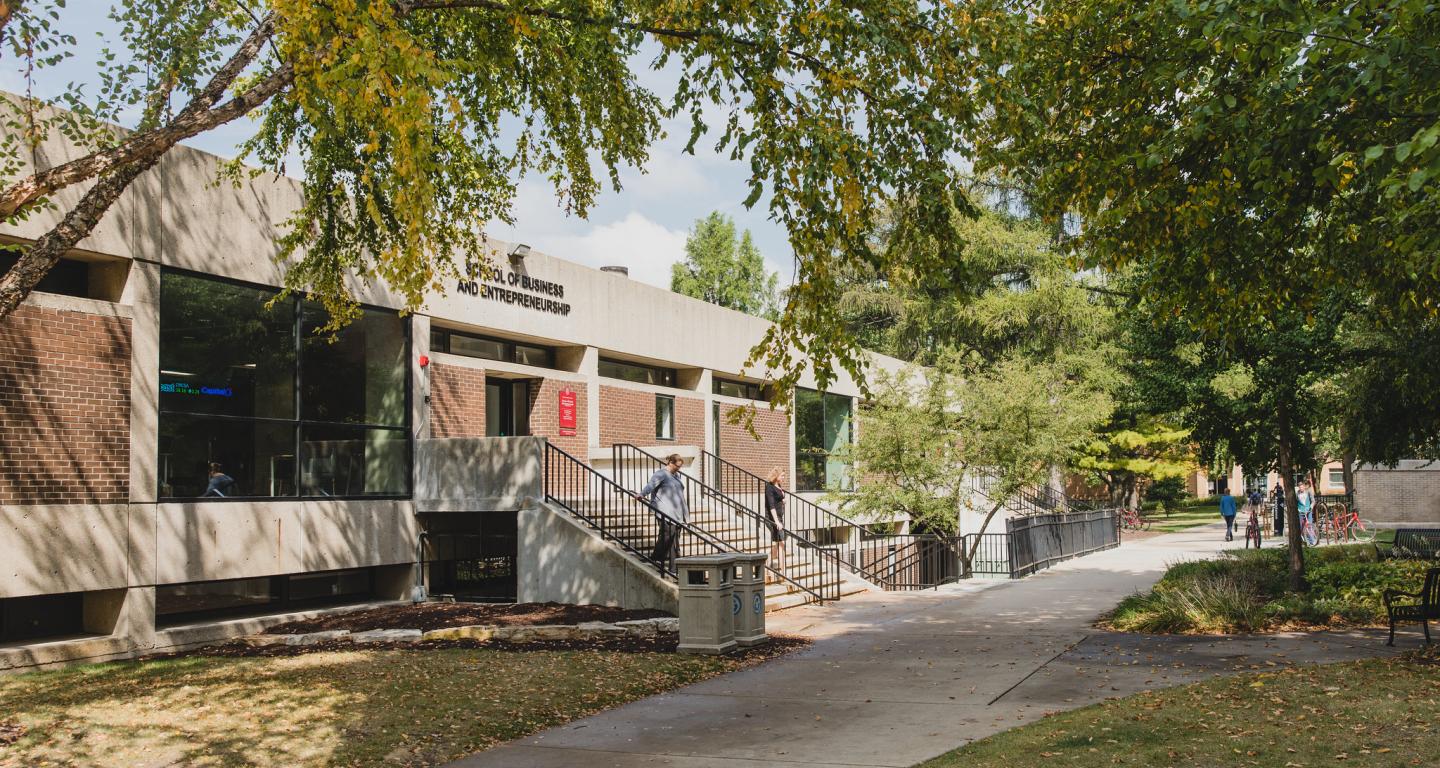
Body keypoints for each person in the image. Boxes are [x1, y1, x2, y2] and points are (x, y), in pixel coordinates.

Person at [636, 454, 689, 568]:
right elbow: (651, 485)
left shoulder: (676, 476)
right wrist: (641, 494)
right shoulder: (661, 474)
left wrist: (686, 514)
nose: (678, 469)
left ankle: (668, 564)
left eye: (679, 467)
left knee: (673, 540)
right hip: (665, 511)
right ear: (670, 462)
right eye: (677, 466)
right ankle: (659, 560)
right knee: (667, 537)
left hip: (677, 513)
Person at [764, 467, 788, 582]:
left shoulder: (778, 486)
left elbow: (779, 499)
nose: (784, 477)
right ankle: (782, 573)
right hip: (772, 519)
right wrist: (776, 522)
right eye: (782, 475)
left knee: (777, 546)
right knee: (781, 544)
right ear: (776, 475)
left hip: (779, 519)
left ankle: (768, 567)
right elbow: (771, 506)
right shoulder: (769, 487)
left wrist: (783, 500)